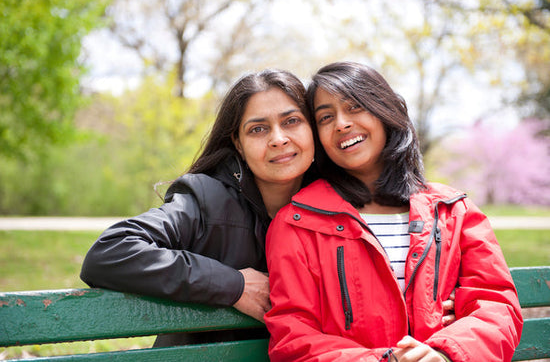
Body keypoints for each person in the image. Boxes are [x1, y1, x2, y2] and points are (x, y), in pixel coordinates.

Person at [264, 61, 523, 361]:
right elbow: (293, 335)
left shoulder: (453, 211)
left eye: (355, 106)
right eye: (325, 117)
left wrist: (446, 352)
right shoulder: (297, 224)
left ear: (385, 110)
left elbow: (495, 304)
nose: (341, 123)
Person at [80, 68, 316, 346]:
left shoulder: (336, 207)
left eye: (291, 121)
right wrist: (233, 285)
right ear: (238, 145)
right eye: (258, 129)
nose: (278, 138)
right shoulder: (206, 200)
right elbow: (110, 252)